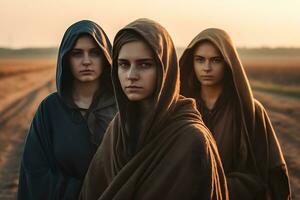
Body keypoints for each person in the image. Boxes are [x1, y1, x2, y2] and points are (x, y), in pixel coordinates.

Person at [80, 18, 228, 200]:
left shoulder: (191, 139)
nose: (131, 76)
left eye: (144, 64)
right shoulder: (118, 129)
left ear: (164, 69)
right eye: (124, 64)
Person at [179, 28, 291, 200]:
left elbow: (273, 169)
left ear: (228, 63)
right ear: (191, 63)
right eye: (200, 60)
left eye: (216, 60)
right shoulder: (181, 109)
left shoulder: (250, 111)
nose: (207, 68)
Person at [17, 20, 117, 199]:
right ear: (66, 58)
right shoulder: (50, 110)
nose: (86, 61)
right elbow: (35, 173)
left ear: (106, 58)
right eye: (77, 54)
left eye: (95, 53)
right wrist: (83, 192)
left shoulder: (121, 109)